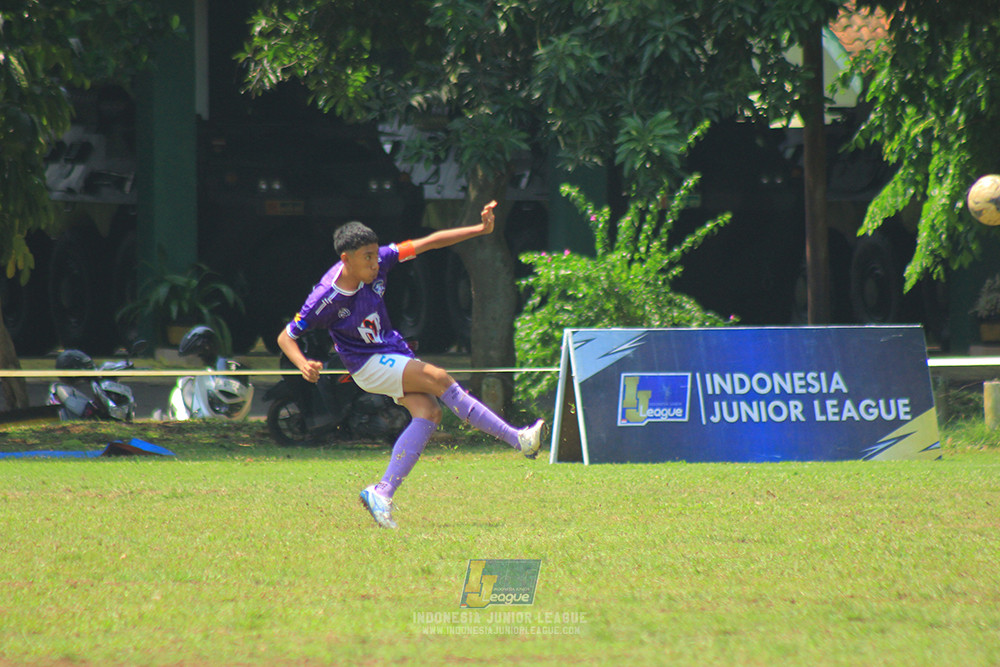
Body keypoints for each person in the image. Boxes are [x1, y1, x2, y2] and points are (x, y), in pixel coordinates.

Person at [277, 200, 546, 529]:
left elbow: (430, 242)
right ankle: (518, 440)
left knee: (429, 413)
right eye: (368, 258)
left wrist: (479, 229)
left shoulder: (382, 260)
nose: (376, 263)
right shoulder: (324, 298)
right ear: (345, 259)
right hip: (367, 365)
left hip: (391, 350)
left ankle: (382, 492)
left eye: (377, 255)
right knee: (440, 377)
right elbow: (285, 337)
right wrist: (303, 364)